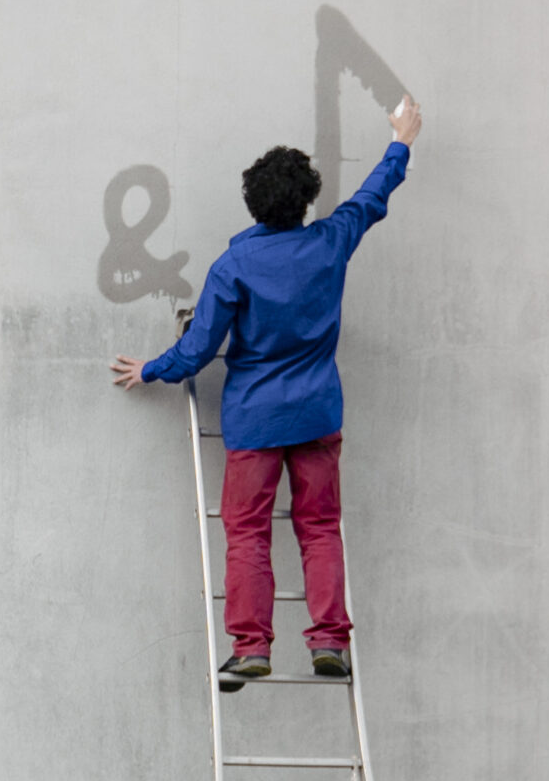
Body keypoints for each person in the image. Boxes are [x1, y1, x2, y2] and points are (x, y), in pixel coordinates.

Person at [112, 96, 424, 691]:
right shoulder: (332, 241)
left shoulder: (234, 265)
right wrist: (402, 139)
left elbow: (200, 347)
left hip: (255, 423)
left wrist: (150, 370)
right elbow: (373, 195)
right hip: (316, 415)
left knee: (249, 532)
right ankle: (329, 639)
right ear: (306, 200)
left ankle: (251, 648)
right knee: (319, 526)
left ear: (252, 201)